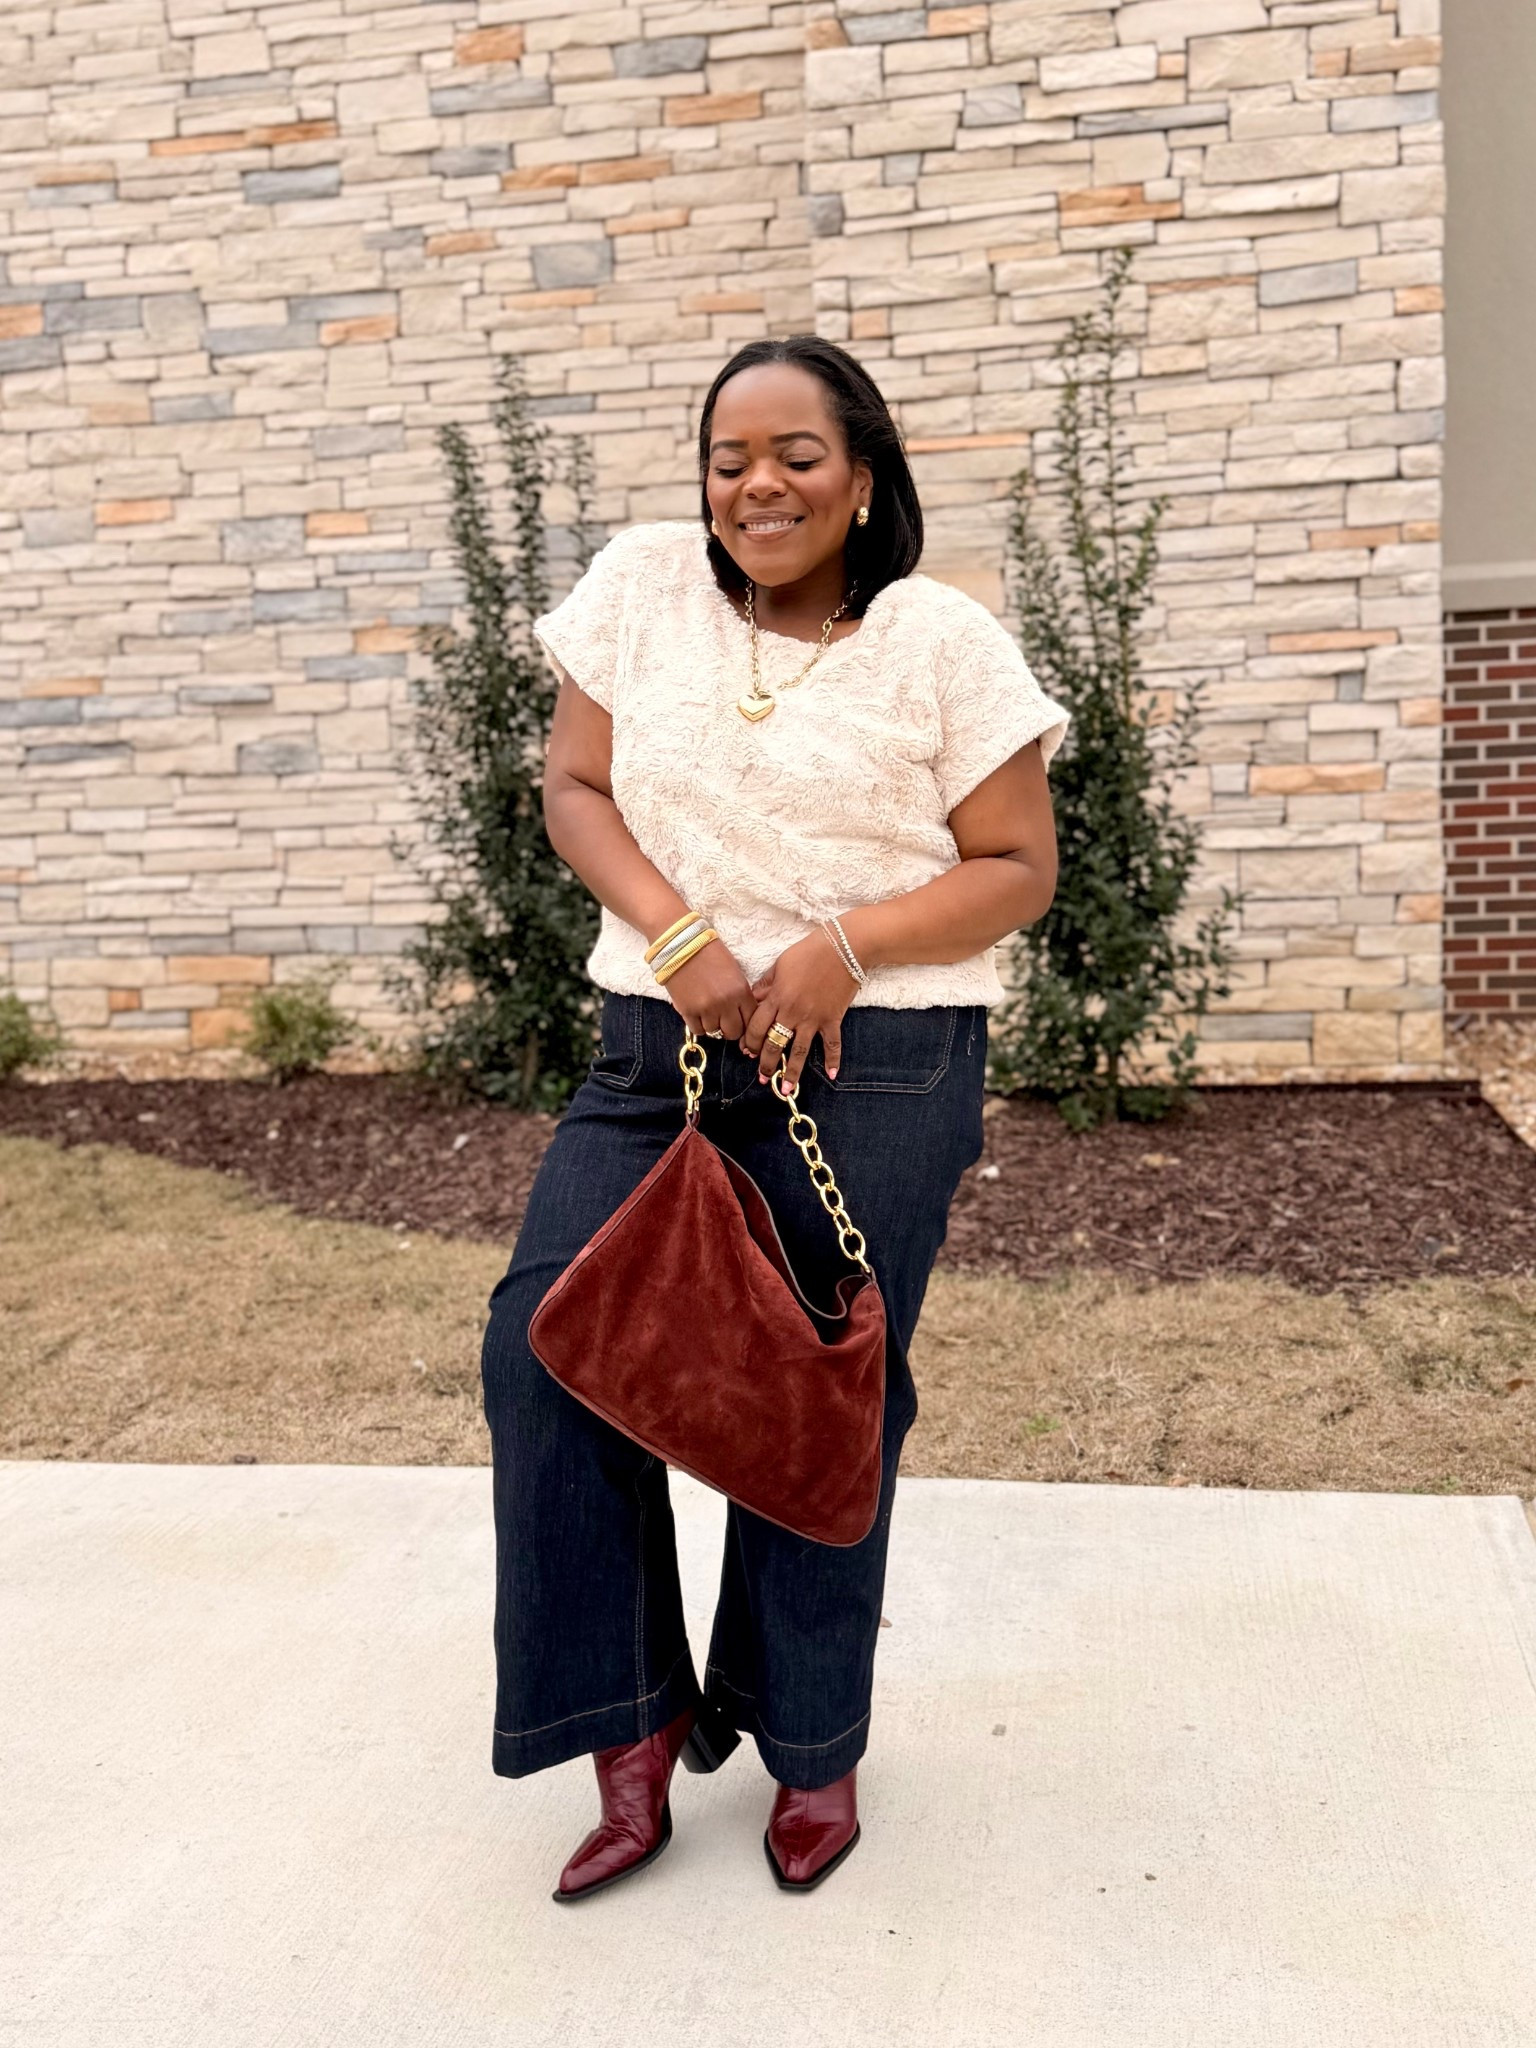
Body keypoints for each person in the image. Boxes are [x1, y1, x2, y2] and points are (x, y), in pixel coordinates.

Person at [479, 334, 1069, 1902]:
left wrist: (842, 945)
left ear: (862, 476)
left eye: (798, 454)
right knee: (545, 1353)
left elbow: (1017, 863)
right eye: (731, 457)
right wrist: (680, 938)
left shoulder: (942, 638)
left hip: (873, 1066)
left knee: (817, 1404)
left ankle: (812, 1745)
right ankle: (631, 1732)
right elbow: (577, 787)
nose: (759, 483)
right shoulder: (640, 586)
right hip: (650, 1047)